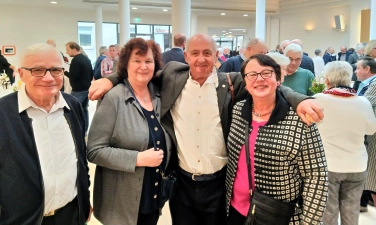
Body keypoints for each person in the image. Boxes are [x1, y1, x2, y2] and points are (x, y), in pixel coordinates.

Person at [87, 33, 325, 225]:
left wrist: (299, 99)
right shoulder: (172, 76)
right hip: (181, 183)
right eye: (195, 53)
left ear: (216, 56)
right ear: (186, 55)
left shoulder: (231, 83)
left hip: (219, 184)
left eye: (207, 53)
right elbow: (139, 73)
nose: (201, 59)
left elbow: (265, 82)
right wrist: (110, 80)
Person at [0, 43, 92, 224]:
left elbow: (80, 159)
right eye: (37, 70)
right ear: (21, 74)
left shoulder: (73, 106)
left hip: (72, 215)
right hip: (24, 220)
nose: (48, 78)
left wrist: (84, 200)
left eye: (55, 70)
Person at [225, 54, 328, 225]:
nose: (259, 79)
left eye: (266, 73)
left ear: (278, 78)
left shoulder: (299, 119)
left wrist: (309, 222)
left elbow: (316, 176)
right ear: (245, 81)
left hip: (279, 215)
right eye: (252, 75)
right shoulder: (238, 111)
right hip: (236, 211)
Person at [87, 38, 171, 225]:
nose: (143, 66)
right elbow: (94, 150)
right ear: (126, 64)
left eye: (148, 61)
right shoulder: (113, 98)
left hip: (153, 196)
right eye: (137, 61)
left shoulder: (159, 95)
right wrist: (137, 159)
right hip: (122, 203)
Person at [314, 61, 376, 225]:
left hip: (329, 164)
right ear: (349, 79)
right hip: (356, 164)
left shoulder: (318, 100)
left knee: (329, 212)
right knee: (351, 210)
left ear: (326, 80)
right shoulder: (363, 102)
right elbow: (371, 130)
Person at [355, 56, 376, 212]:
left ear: (367, 69)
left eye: (358, 68)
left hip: (373, 136)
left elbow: (363, 104)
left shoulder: (374, 84)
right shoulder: (368, 84)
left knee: (373, 179)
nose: (356, 71)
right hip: (369, 135)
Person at [65, 41, 93, 132]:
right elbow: (91, 74)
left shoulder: (75, 60)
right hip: (87, 89)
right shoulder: (87, 59)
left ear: (74, 49)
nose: (66, 52)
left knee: (73, 110)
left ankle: (75, 132)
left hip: (78, 90)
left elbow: (74, 76)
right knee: (84, 110)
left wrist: (64, 72)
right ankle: (84, 131)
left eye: (68, 50)